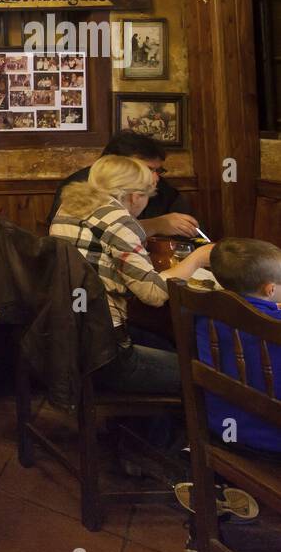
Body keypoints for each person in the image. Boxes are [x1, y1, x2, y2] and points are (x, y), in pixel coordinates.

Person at [50, 156, 213, 472]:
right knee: (203, 373)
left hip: (69, 337)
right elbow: (152, 294)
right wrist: (196, 260)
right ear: (134, 196)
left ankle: (134, 439)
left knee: (165, 346)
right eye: (146, 197)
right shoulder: (119, 220)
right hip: (103, 353)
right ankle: (161, 458)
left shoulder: (69, 207)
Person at [194, 238, 281, 454]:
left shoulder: (204, 312)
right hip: (270, 439)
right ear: (270, 289)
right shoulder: (273, 326)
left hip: (223, 428)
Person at [50, 130, 198, 238]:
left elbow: (193, 233)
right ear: (116, 164)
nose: (155, 178)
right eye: (147, 169)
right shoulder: (80, 186)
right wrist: (156, 225)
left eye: (158, 170)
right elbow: (88, 232)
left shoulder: (163, 188)